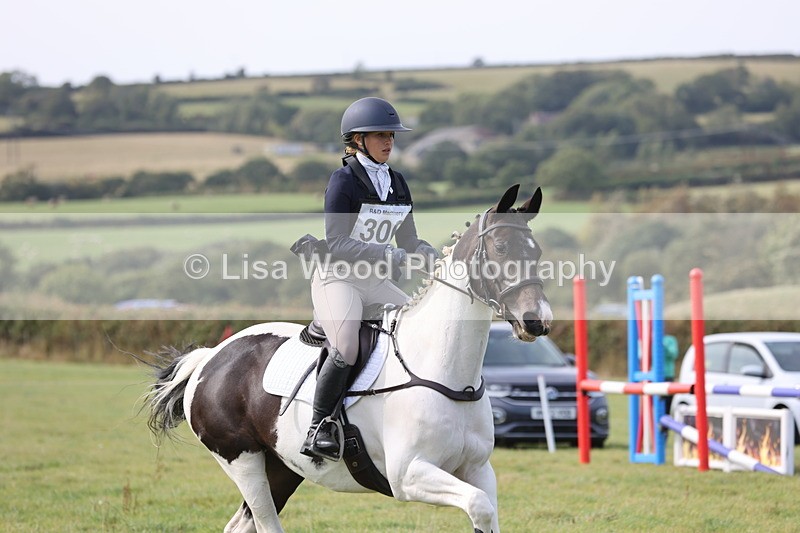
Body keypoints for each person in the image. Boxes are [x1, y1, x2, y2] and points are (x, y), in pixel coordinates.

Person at [300, 97, 438, 460]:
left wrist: (431, 255)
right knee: (346, 346)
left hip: (374, 280)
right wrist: (386, 254)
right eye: (380, 135)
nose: (389, 141)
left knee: (417, 327)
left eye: (391, 135)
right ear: (357, 139)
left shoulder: (397, 182)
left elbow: (408, 240)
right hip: (338, 278)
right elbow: (337, 241)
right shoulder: (343, 180)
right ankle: (319, 426)